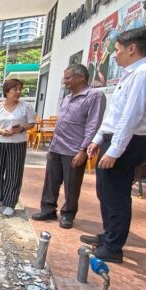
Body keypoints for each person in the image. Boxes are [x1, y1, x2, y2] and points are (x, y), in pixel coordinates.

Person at [82, 26, 146, 263]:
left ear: (132, 48)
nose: (114, 55)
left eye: (116, 50)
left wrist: (115, 150)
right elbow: (115, 115)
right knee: (104, 193)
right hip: (115, 138)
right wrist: (98, 139)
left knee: (116, 195)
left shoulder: (144, 74)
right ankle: (108, 236)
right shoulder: (131, 74)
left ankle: (113, 248)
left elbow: (130, 117)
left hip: (127, 142)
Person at [32, 64, 106, 228]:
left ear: (80, 78)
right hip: (57, 146)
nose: (64, 81)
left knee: (71, 184)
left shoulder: (94, 96)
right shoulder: (67, 97)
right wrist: (51, 147)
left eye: (68, 78)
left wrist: (83, 150)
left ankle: (68, 214)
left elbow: (93, 125)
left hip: (74, 149)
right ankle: (48, 209)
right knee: (50, 181)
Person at [0, 79, 36, 217]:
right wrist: (0, 131)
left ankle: (10, 202)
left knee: (14, 173)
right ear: (6, 91)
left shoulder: (26, 107)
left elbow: (31, 124)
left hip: (17, 144)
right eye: (15, 89)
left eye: (20, 89)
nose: (18, 92)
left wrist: (21, 128)